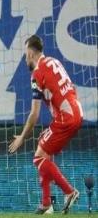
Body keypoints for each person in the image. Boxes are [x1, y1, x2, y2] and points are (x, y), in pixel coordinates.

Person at [9, 35, 82, 215]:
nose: (25, 59)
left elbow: (34, 114)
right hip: (76, 111)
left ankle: (69, 192)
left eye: (26, 54)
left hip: (66, 117)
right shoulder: (54, 61)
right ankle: (46, 203)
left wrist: (22, 138)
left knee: (38, 158)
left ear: (31, 53)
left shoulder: (37, 74)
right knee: (43, 151)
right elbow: (70, 88)